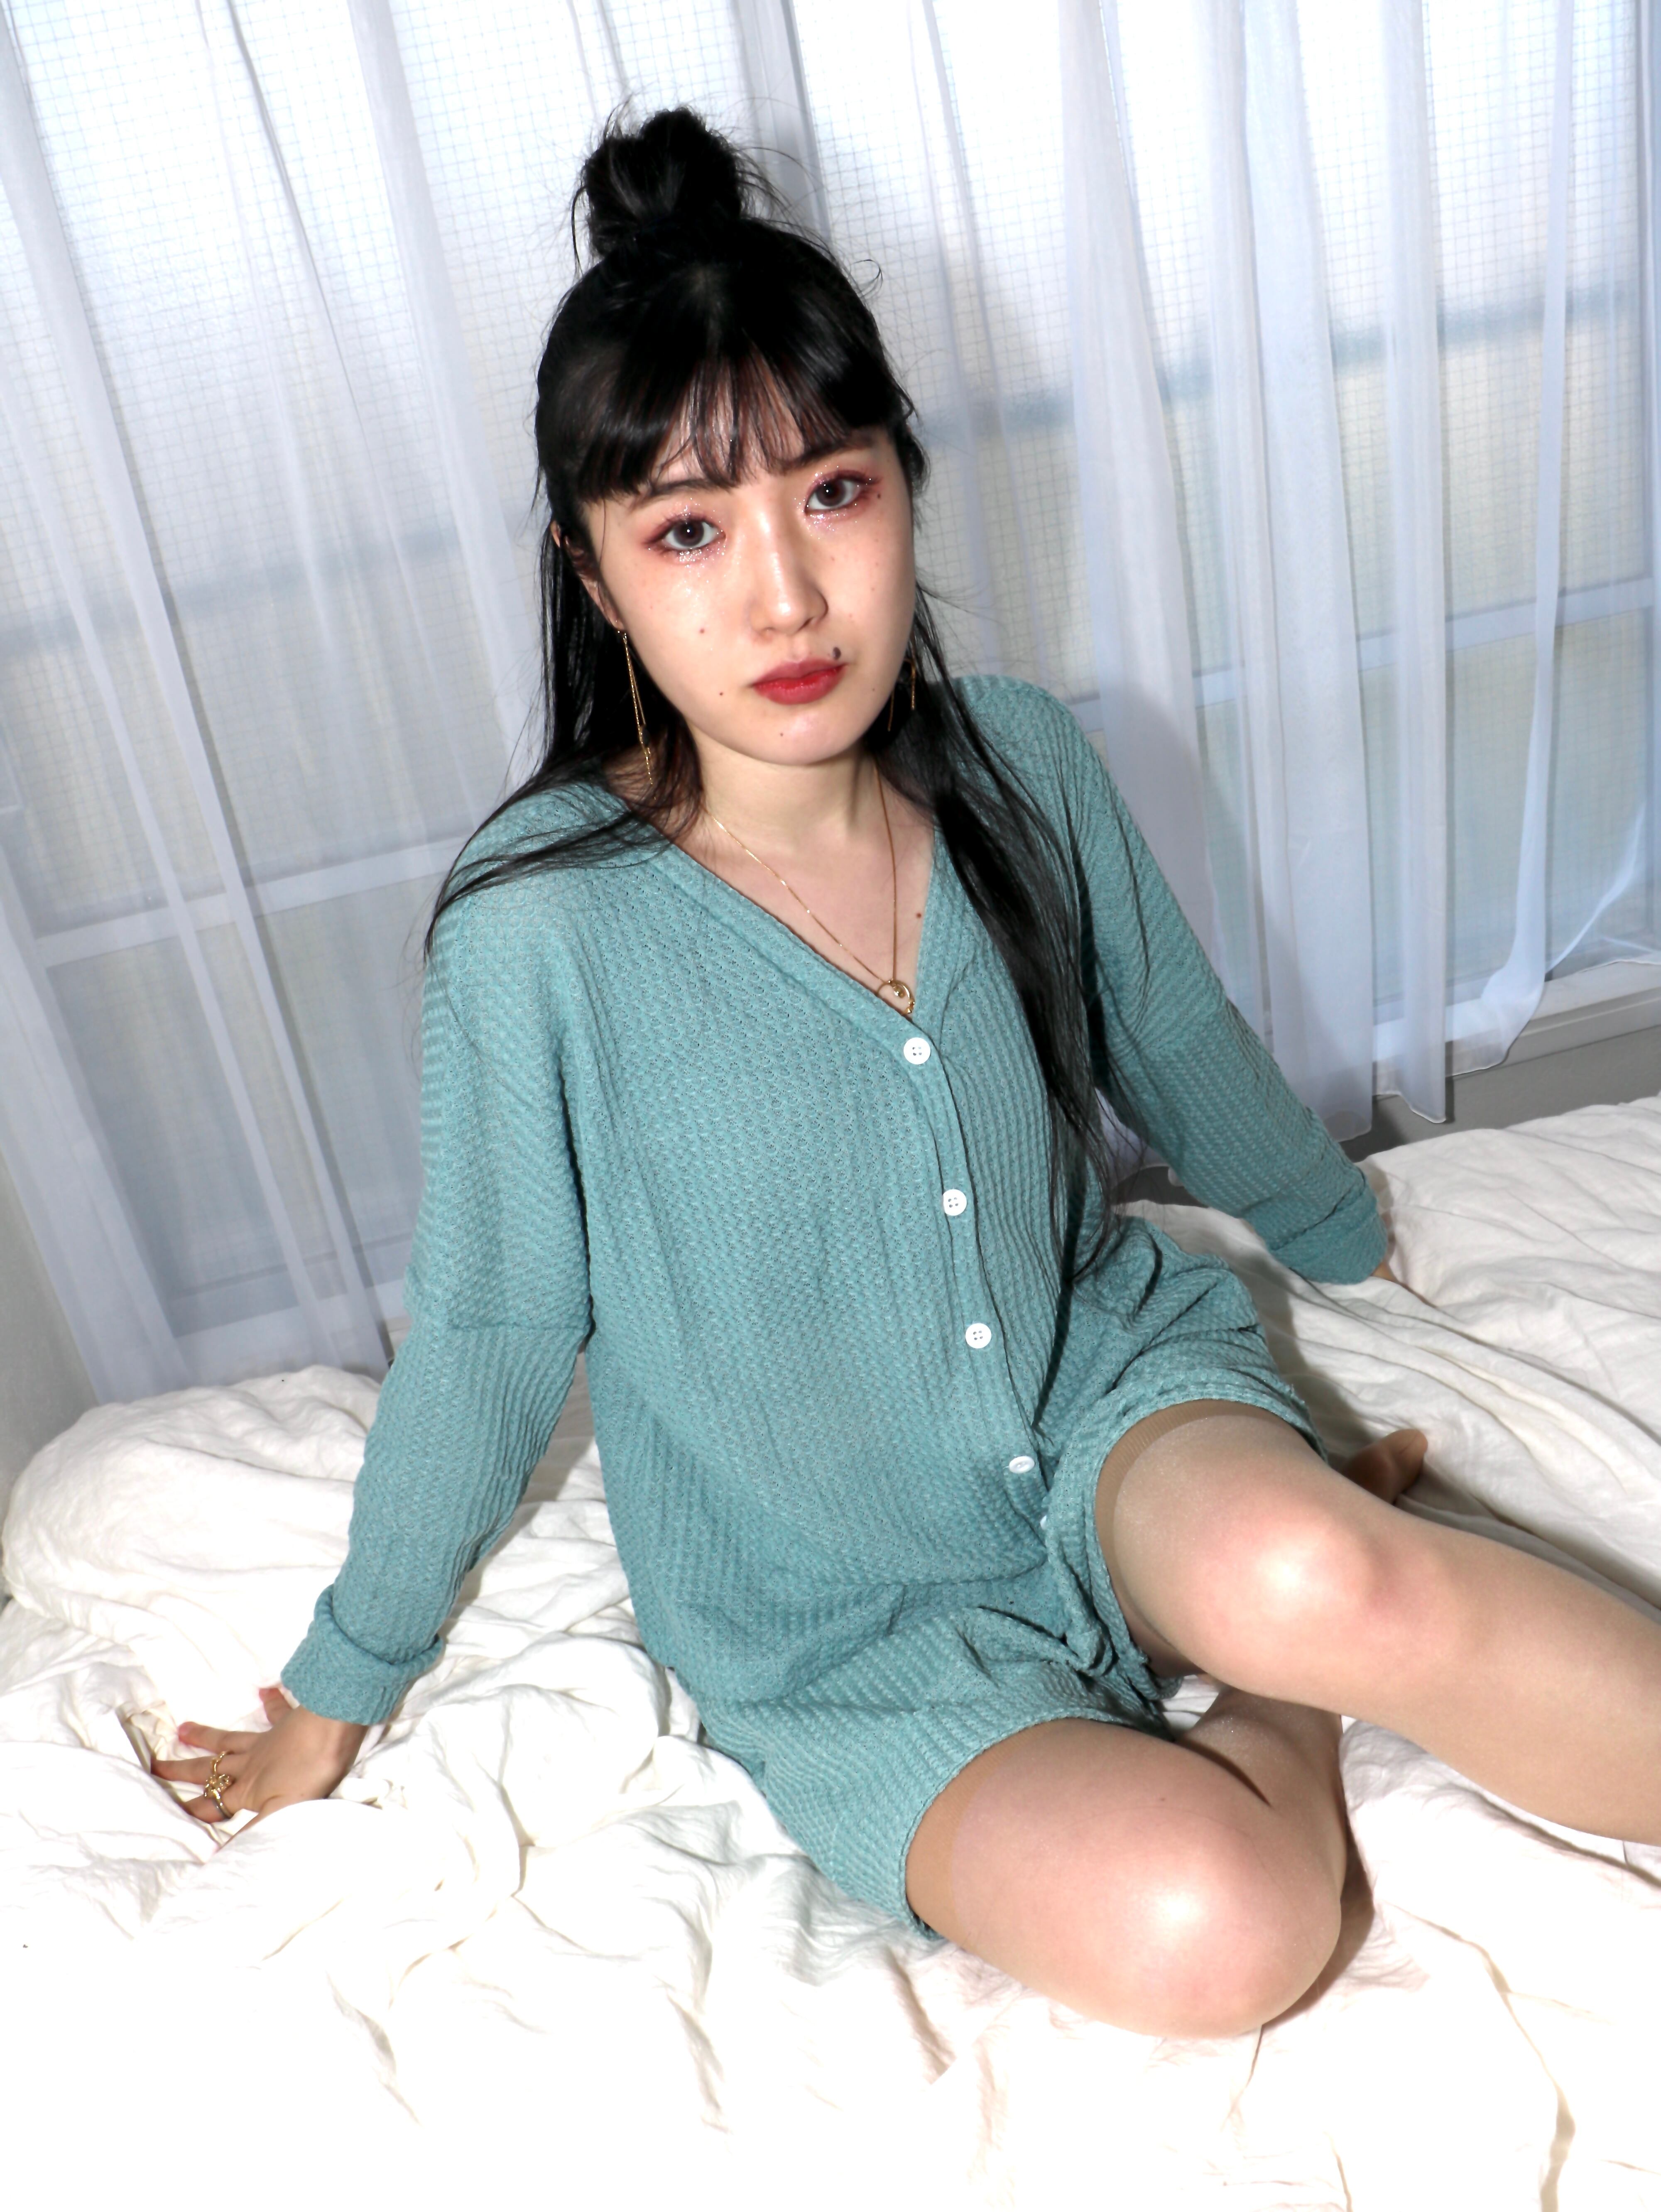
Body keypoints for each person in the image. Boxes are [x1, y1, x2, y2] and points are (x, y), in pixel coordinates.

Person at [155, 109, 1661, 2039]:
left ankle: (1298, 1602)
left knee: (1319, 1573)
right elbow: (489, 1335)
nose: (785, 597)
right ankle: (1280, 1706)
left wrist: (1337, 1234)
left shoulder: (1023, 762)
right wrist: (335, 1691)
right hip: (835, 1617)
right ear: (591, 576)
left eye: (834, 494)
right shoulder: (537, 928)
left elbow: (1175, 1040)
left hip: (1102, 1404)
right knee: (1215, 1931)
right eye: (688, 532)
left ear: (907, 489)